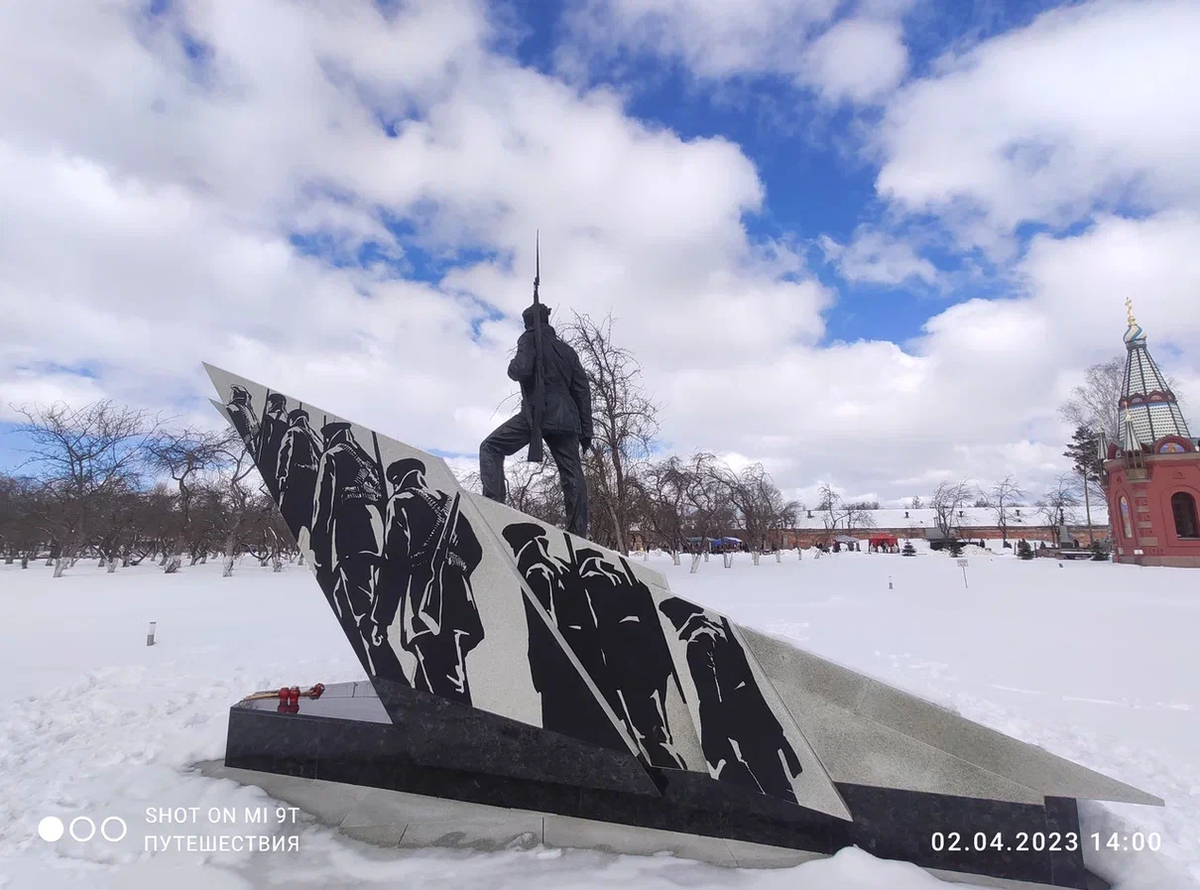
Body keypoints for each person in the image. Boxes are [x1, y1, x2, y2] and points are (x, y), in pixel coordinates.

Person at [480, 302, 592, 537]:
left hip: (537, 415)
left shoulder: (529, 339)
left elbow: (519, 369)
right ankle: (578, 532)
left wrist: (518, 355)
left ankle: (493, 507)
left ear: (529, 323)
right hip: (568, 419)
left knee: (490, 447)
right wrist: (586, 431)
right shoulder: (568, 351)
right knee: (572, 473)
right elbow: (582, 391)